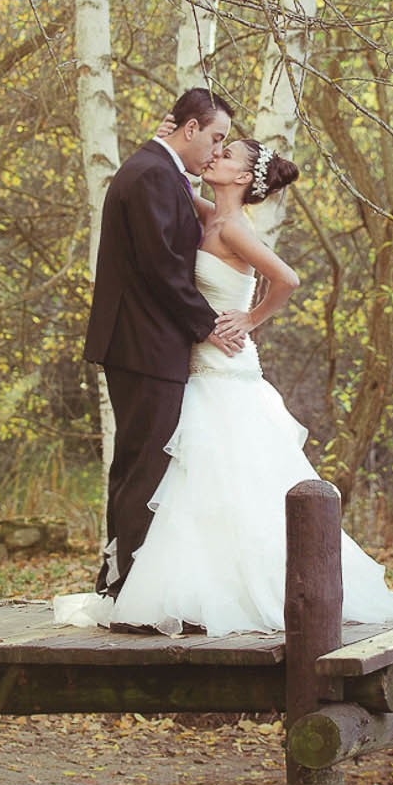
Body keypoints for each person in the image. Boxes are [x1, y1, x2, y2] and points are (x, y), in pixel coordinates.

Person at [59, 129, 393, 635]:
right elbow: (174, 186)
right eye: (215, 148)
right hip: (198, 368)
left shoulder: (235, 229)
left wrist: (251, 319)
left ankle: (246, 590)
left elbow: (287, 279)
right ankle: (195, 589)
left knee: (225, 475)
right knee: (196, 482)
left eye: (225, 155)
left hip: (223, 370)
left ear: (244, 177)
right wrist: (163, 144)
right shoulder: (213, 215)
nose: (215, 156)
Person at [80, 87, 248, 606]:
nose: (216, 151)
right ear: (189, 128)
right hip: (144, 343)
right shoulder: (153, 172)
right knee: (145, 466)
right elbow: (159, 267)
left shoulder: (160, 170)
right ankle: (128, 585)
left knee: (137, 463)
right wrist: (209, 325)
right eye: (214, 137)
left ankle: (120, 580)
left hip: (142, 342)